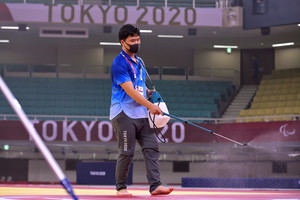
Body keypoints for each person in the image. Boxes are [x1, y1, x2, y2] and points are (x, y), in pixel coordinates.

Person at [110, 24, 173, 196]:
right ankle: (121, 188)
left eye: (138, 39)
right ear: (123, 42)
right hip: (123, 113)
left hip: (141, 113)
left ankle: (155, 186)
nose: (136, 43)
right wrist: (150, 105)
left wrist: (149, 94)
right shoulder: (119, 63)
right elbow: (129, 90)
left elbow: (139, 86)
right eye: (132, 40)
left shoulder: (140, 62)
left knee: (152, 146)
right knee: (126, 152)